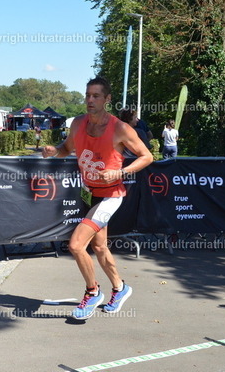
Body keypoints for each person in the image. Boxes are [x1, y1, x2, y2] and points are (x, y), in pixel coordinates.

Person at [42, 77, 153, 320]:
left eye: (96, 96)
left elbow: (147, 156)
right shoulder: (78, 123)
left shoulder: (120, 128)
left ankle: (92, 292)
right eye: (88, 95)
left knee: (76, 245)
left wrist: (120, 172)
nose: (90, 100)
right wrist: (54, 151)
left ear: (107, 99)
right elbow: (66, 149)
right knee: (100, 246)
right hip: (90, 193)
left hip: (111, 196)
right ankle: (120, 288)